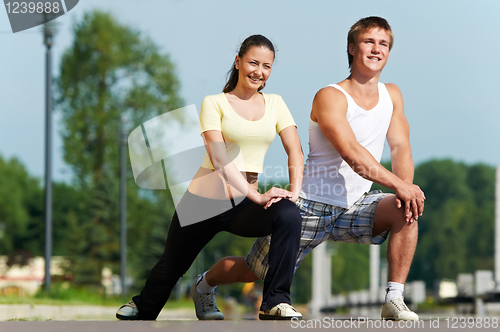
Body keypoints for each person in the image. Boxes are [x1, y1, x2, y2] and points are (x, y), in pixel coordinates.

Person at [192, 17, 425, 321]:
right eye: (369, 41)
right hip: (309, 204)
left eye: (383, 44)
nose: (376, 49)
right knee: (254, 270)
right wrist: (400, 185)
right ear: (352, 48)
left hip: (355, 204)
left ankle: (394, 299)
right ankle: (204, 285)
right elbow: (353, 154)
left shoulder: (392, 95)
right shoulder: (330, 96)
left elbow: (400, 146)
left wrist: (405, 189)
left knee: (405, 209)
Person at [116, 35, 304, 321]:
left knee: (289, 214)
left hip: (244, 205)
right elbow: (219, 159)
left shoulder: (276, 104)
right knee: (171, 266)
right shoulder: (215, 103)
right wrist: (257, 194)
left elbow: (295, 151)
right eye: (253, 62)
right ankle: (143, 305)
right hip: (204, 202)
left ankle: (275, 301)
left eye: (266, 66)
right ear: (238, 62)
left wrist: (295, 192)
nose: (259, 71)